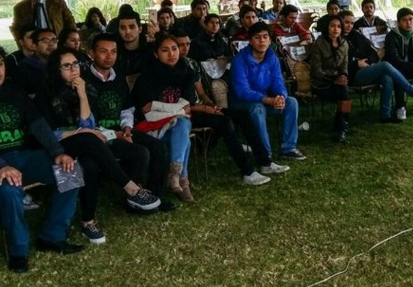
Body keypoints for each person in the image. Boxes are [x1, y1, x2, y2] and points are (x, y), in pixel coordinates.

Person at [0, 44, 84, 273]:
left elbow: (38, 125)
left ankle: (52, 236)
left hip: (22, 156)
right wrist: (1, 167)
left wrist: (58, 152)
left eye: (0, 64)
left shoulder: (14, 91)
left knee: (70, 169)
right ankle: (18, 251)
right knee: (10, 189)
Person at [42, 47, 161, 244]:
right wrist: (81, 132)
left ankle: (123, 206)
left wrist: (82, 95)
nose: (73, 69)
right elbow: (48, 133)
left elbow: (88, 124)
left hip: (89, 141)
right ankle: (130, 191)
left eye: (76, 64)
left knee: (134, 152)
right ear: (56, 69)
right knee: (89, 145)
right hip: (60, 144)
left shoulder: (86, 88)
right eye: (66, 66)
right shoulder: (45, 94)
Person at [175, 30, 283, 185]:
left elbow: (200, 92)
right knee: (225, 122)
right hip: (185, 113)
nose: (184, 48)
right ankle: (247, 171)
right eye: (179, 46)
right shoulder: (168, 69)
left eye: (187, 44)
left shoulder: (191, 63)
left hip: (201, 107)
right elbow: (181, 104)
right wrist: (205, 109)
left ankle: (265, 162)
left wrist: (209, 103)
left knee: (243, 116)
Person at [84, 33, 173, 210]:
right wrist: (115, 134)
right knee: (139, 152)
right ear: (91, 54)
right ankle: (133, 199)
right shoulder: (84, 81)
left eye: (114, 51)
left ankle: (154, 195)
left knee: (159, 147)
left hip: (121, 130)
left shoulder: (118, 77)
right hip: (97, 136)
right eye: (103, 51)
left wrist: (126, 128)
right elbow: (86, 122)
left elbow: (127, 108)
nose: (109, 56)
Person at [131, 33, 196, 202]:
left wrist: (159, 107)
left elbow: (188, 105)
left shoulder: (187, 72)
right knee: (184, 132)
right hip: (153, 129)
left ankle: (176, 176)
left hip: (176, 127)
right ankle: (182, 180)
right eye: (165, 50)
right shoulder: (148, 76)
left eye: (174, 49)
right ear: (156, 53)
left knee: (182, 124)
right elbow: (147, 112)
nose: (172, 54)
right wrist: (177, 111)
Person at [230, 22, 306, 161]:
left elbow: (278, 82)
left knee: (291, 102)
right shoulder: (239, 60)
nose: (262, 41)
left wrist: (281, 97)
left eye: (265, 37)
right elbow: (242, 91)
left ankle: (289, 148)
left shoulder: (272, 58)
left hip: (265, 99)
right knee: (258, 108)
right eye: (257, 37)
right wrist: (268, 100)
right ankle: (265, 154)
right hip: (241, 103)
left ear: (270, 40)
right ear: (250, 41)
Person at [340, 11, 413, 123]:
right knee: (385, 65)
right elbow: (338, 64)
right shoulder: (337, 39)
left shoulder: (356, 35)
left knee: (387, 78)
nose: (349, 25)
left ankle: (386, 115)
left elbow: (374, 53)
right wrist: (356, 63)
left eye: (351, 23)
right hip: (352, 75)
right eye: (346, 22)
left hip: (368, 69)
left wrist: (368, 61)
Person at [308, 15, 352, 143]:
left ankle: (341, 129)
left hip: (338, 81)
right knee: (343, 94)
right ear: (326, 27)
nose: (336, 29)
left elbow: (345, 64)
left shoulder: (344, 44)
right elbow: (316, 69)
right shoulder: (319, 44)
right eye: (332, 26)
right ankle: (341, 128)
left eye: (338, 26)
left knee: (343, 91)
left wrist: (343, 76)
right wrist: (333, 79)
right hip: (321, 82)